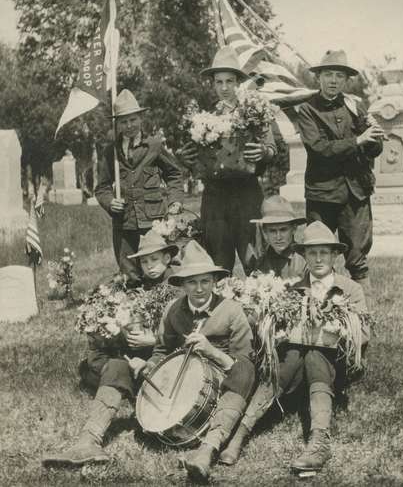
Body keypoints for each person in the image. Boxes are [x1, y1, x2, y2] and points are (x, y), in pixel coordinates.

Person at [219, 222, 369, 471]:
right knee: (291, 354)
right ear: (305, 256)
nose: (318, 259)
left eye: (324, 253)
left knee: (315, 356)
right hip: (292, 364)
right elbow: (274, 327)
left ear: (334, 256)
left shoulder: (350, 289)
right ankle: (240, 434)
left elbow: (363, 333)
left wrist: (341, 331)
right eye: (312, 253)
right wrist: (277, 332)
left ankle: (319, 440)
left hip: (336, 365)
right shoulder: (294, 289)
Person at [42, 232, 179, 468]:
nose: (149, 266)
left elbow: (191, 337)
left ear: (167, 258)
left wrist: (153, 340)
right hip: (141, 365)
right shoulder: (139, 288)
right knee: (115, 366)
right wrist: (120, 330)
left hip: (172, 368)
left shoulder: (180, 288)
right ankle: (88, 441)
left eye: (154, 259)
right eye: (144, 262)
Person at [141, 240, 256, 484]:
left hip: (226, 377)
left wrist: (211, 351)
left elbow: (243, 361)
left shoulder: (231, 310)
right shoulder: (173, 310)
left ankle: (207, 450)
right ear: (182, 284)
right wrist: (151, 367)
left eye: (205, 281)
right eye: (192, 282)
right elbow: (161, 350)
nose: (199, 288)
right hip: (186, 380)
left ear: (215, 282)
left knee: (246, 370)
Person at [179, 46, 278, 273]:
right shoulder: (203, 119)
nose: (224, 88)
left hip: (246, 195)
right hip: (215, 199)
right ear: (213, 84)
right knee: (218, 264)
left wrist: (264, 152)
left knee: (254, 260)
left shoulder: (254, 113)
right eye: (219, 82)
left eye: (229, 81)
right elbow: (195, 159)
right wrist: (186, 159)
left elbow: (273, 148)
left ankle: (258, 304)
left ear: (238, 83)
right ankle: (222, 308)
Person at [296, 50, 384, 303]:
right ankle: (310, 314)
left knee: (357, 258)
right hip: (322, 194)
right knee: (316, 254)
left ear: (346, 80)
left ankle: (362, 321)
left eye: (339, 76)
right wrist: (358, 140)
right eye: (328, 74)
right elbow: (319, 149)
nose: (333, 80)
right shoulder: (308, 109)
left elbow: (374, 149)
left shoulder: (355, 105)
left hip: (356, 192)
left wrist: (374, 137)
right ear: (318, 78)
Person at [95, 89, 184, 282]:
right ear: (117, 124)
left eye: (133, 120)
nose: (129, 126)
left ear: (141, 118)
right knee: (130, 273)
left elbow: (175, 173)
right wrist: (110, 202)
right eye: (123, 121)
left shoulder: (154, 145)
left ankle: (165, 305)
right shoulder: (110, 152)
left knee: (158, 268)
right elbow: (101, 187)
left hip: (154, 222)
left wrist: (175, 201)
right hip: (124, 223)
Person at [246, 194, 307, 278]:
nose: (278, 237)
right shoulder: (261, 263)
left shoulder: (304, 261)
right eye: (272, 231)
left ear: (294, 229)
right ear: (265, 232)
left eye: (283, 230)